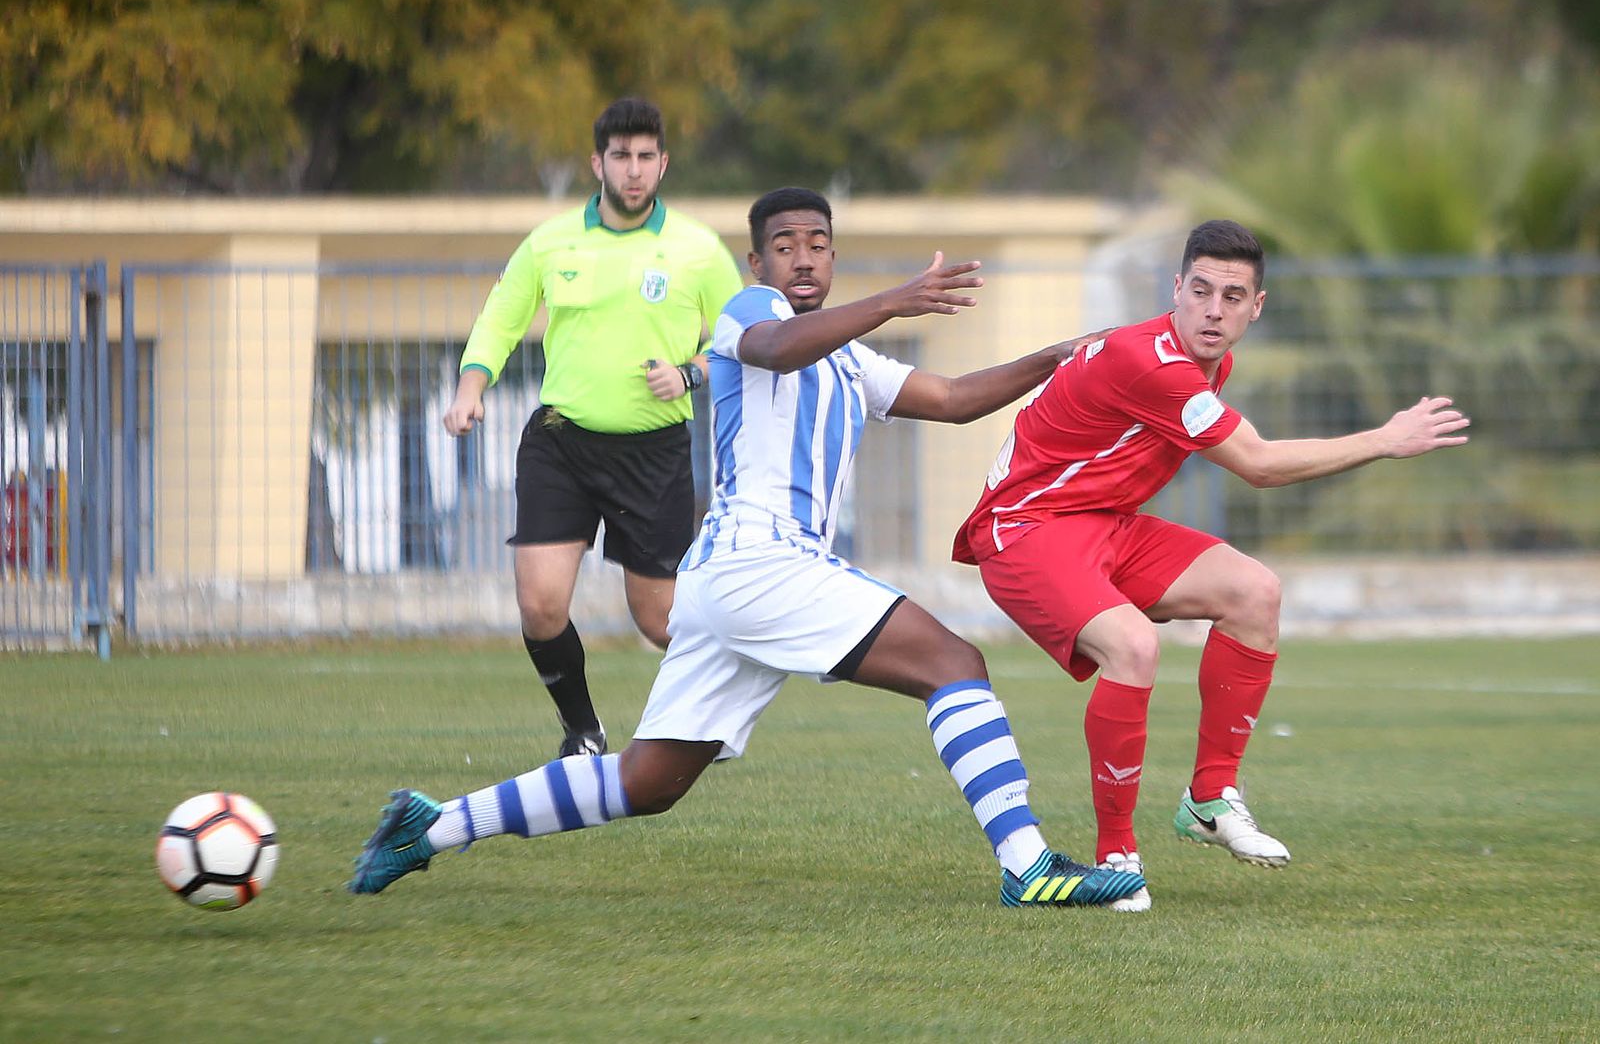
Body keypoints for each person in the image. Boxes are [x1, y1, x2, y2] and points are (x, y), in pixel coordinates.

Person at [349, 187, 1146, 909]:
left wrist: (1056, 358)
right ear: (757, 260)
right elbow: (772, 349)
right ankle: (1028, 863)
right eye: (787, 243)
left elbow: (954, 398)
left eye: (819, 242)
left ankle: (433, 826)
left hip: (732, 580)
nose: (804, 257)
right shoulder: (745, 312)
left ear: (834, 256)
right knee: (955, 665)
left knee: (647, 782)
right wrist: (896, 300)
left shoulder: (848, 357)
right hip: (763, 562)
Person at [954, 219, 1471, 912]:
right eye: (1200, 291)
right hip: (1027, 531)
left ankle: (1209, 798)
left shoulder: (1207, 362)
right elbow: (1256, 465)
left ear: (1256, 307)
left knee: (1254, 592)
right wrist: (1384, 438)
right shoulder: (1155, 363)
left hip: (1102, 527)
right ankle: (1116, 859)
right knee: (1134, 645)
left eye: (1232, 296)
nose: (1213, 309)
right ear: (1176, 290)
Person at [443, 97, 743, 759]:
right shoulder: (552, 242)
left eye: (644, 157)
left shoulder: (697, 249)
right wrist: (471, 387)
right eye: (620, 157)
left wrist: (689, 374)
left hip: (656, 451)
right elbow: (500, 317)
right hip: (562, 443)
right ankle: (583, 731)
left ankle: (717, 713)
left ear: (662, 164)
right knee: (541, 606)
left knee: (660, 620)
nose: (633, 170)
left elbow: (742, 343)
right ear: (597, 163)